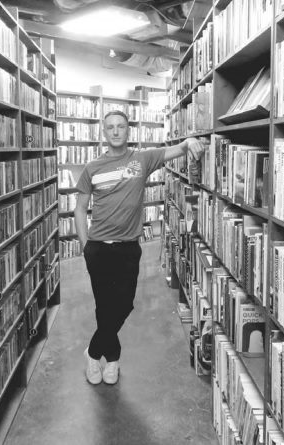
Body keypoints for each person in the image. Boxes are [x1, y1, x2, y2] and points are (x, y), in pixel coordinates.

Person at [74, 110, 204, 385]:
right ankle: (112, 360)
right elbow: (80, 209)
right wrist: (85, 247)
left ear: (128, 130)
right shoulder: (92, 168)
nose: (115, 131)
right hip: (98, 248)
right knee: (104, 307)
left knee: (124, 304)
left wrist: (189, 141)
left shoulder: (141, 159)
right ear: (104, 132)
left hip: (128, 249)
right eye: (110, 127)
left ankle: (93, 352)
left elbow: (174, 150)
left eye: (121, 126)